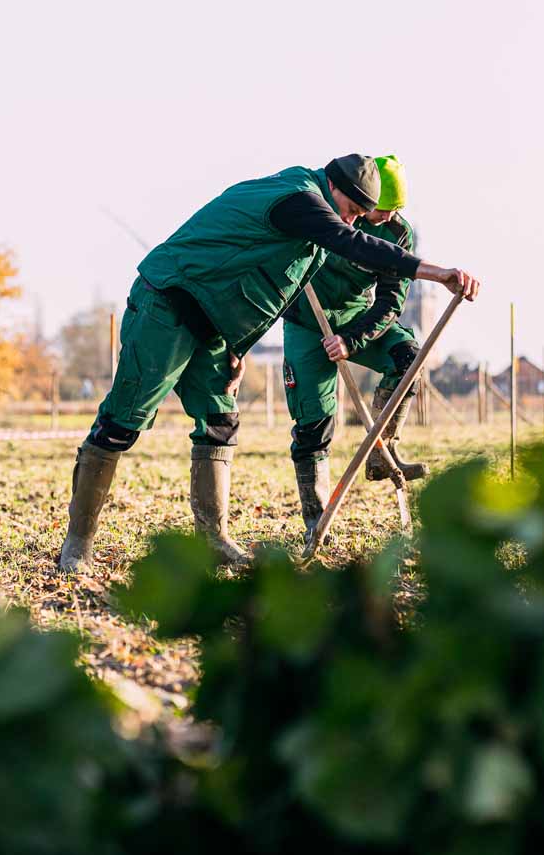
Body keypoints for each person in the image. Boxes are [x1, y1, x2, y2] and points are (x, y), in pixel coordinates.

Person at [59, 154, 479, 571]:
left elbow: (276, 292)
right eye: (351, 211)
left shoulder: (313, 223)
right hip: (169, 301)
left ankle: (214, 541)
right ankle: (77, 545)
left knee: (220, 422)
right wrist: (439, 273)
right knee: (123, 421)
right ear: (335, 188)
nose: (351, 221)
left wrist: (238, 347)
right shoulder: (298, 199)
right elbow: (353, 243)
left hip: (213, 322)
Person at [283, 155, 472, 540]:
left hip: (356, 316)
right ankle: (316, 520)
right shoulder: (328, 211)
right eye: (381, 210)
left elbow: (390, 303)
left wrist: (352, 340)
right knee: (313, 424)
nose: (387, 217)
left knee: (407, 357)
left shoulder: (399, 233)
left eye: (394, 211)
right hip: (307, 320)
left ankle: (381, 453)